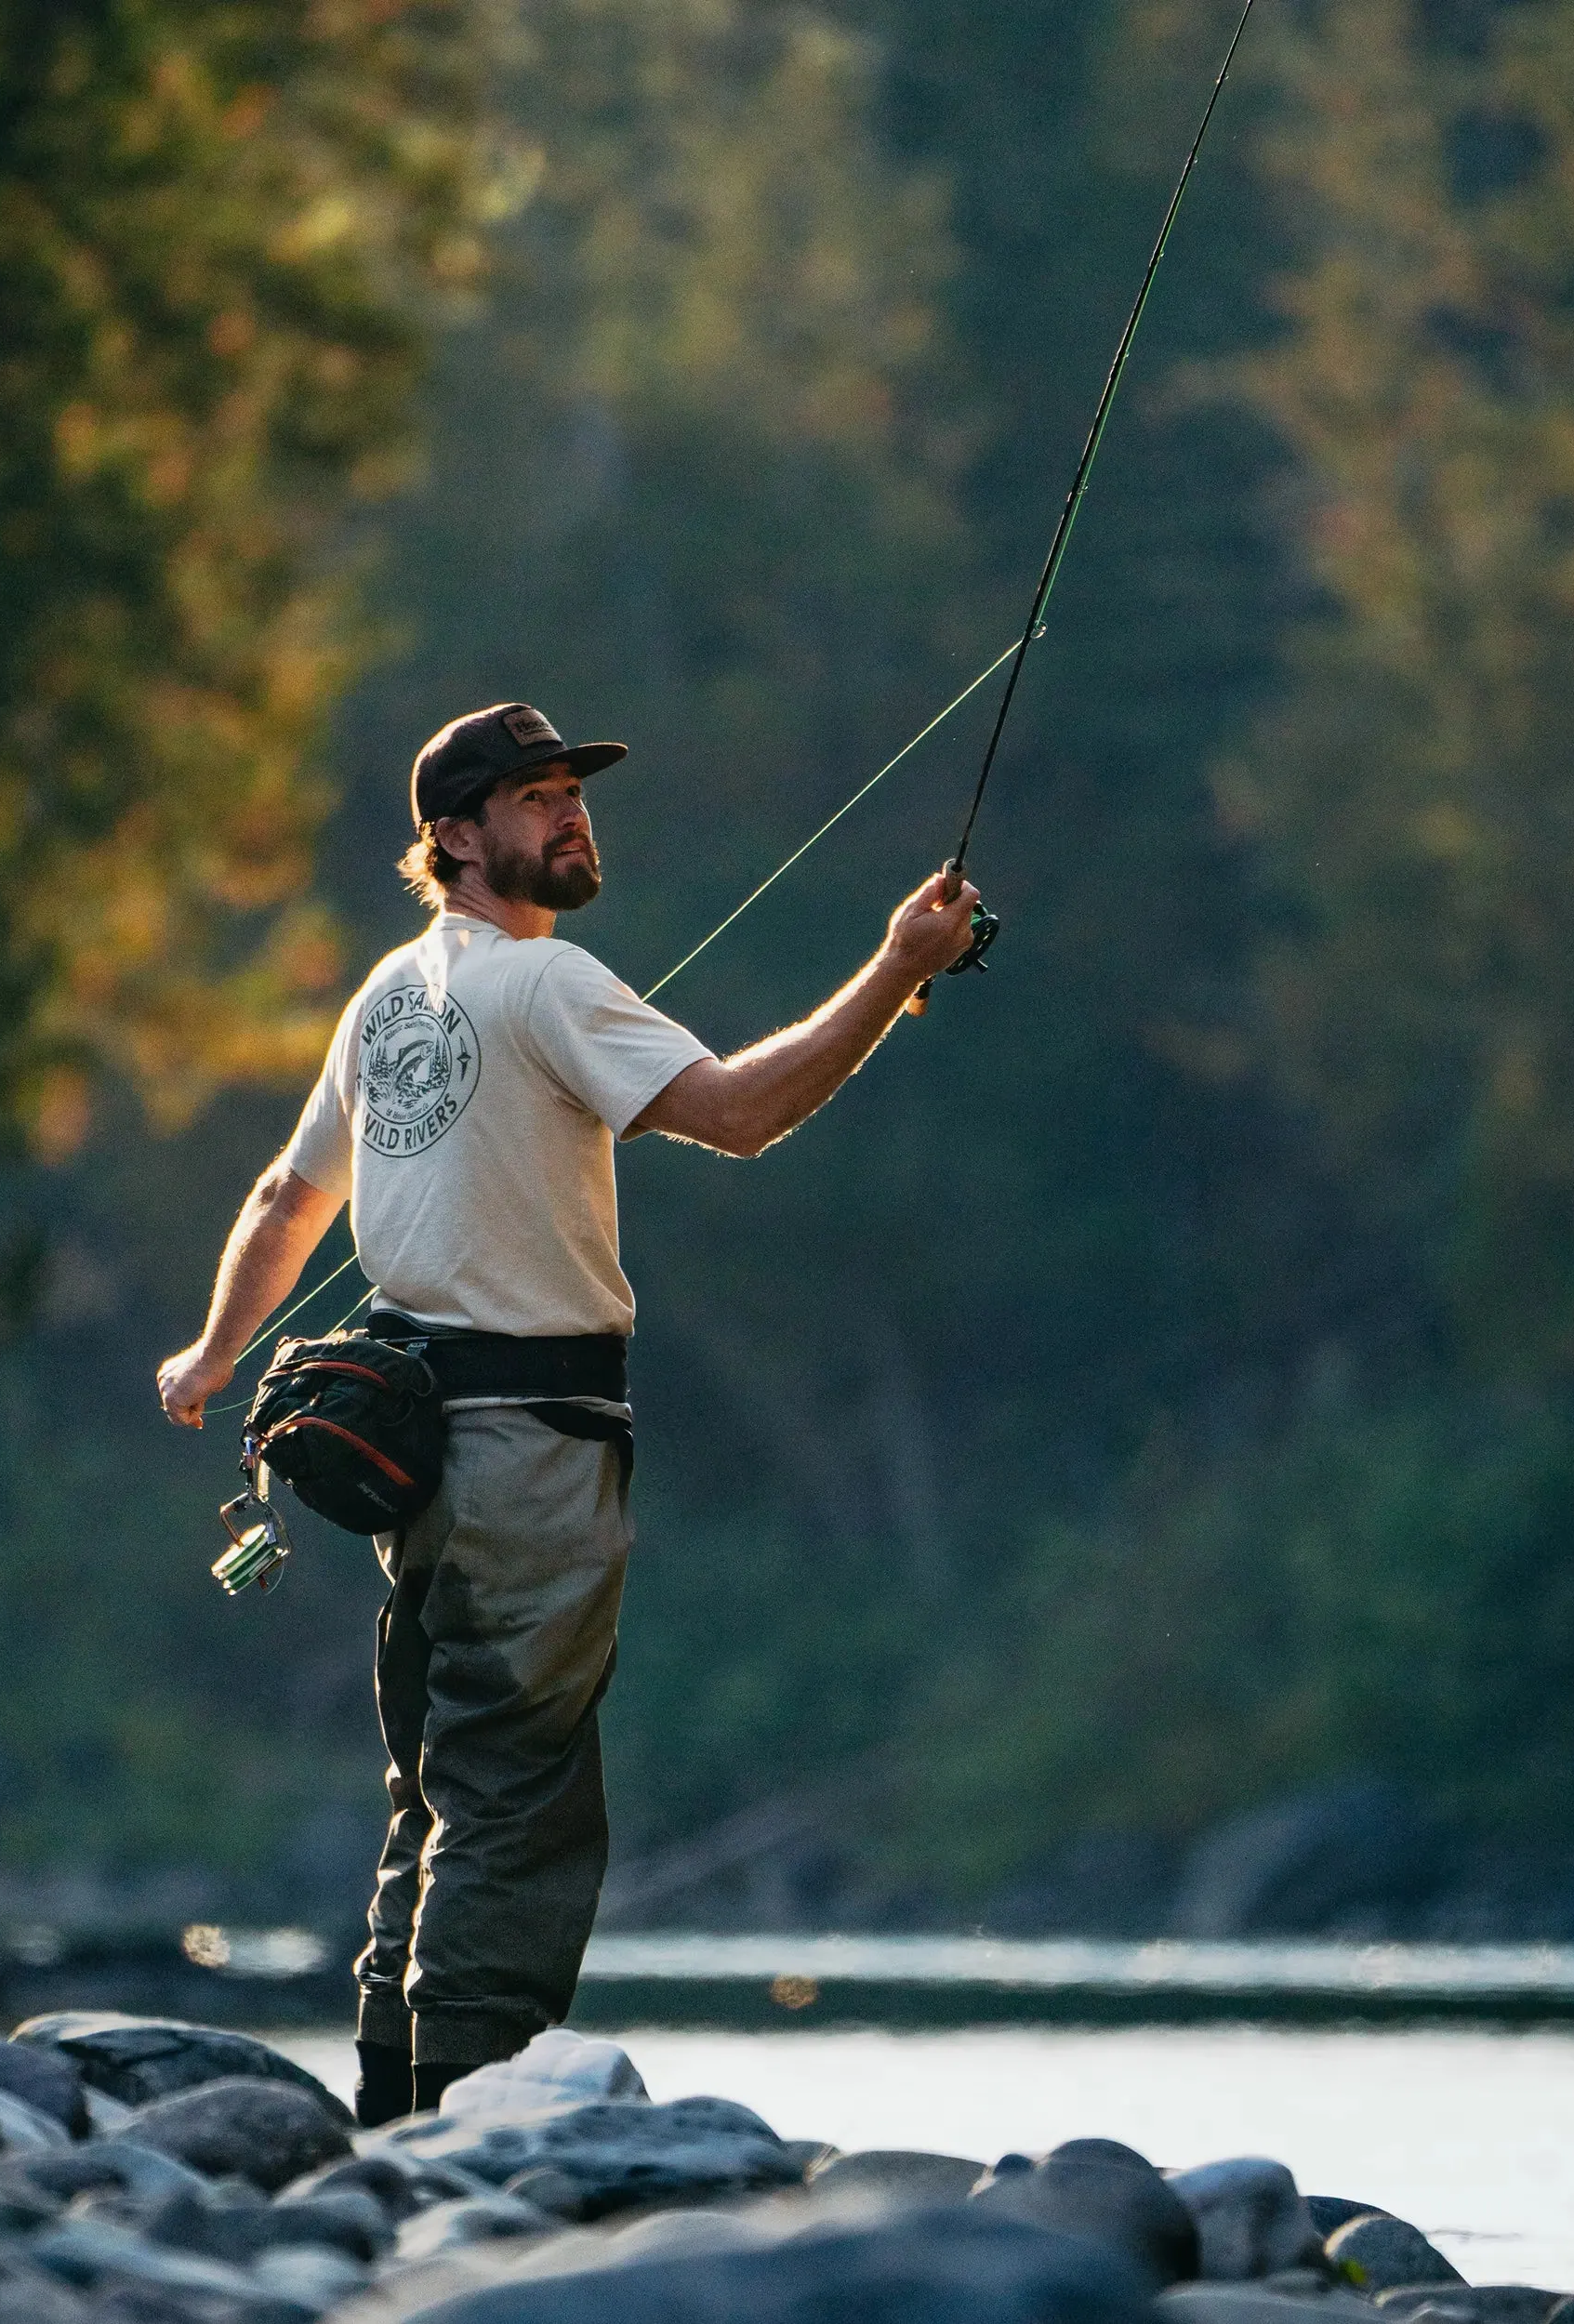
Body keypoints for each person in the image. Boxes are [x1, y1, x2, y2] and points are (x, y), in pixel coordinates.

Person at [157, 701, 981, 2122]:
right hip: (529, 1458)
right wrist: (899, 967)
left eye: (571, 794)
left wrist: (215, 1350)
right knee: (518, 1803)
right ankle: (469, 2138)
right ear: (456, 838)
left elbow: (291, 1196)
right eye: (533, 799)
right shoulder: (544, 988)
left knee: (437, 1792)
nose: (570, 816)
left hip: (417, 1470)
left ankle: (391, 2128)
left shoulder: (390, 996)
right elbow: (738, 1113)